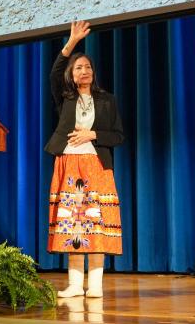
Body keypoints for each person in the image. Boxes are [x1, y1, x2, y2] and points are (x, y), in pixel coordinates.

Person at [44, 20, 124, 298]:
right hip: (69, 163)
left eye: (88, 67)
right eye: (79, 67)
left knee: (96, 220)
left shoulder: (107, 100)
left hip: (97, 166)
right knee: (73, 222)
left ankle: (97, 285)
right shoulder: (64, 98)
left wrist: (92, 134)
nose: (84, 70)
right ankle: (76, 285)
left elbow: (118, 137)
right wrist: (72, 42)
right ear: (71, 74)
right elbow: (54, 71)